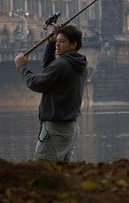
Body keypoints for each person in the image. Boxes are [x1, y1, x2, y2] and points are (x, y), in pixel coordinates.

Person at [14, 24, 87, 162]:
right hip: (70, 128)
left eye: (62, 41)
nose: (57, 45)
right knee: (61, 174)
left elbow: (36, 83)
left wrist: (22, 67)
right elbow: (50, 69)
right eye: (57, 41)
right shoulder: (78, 64)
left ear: (73, 44)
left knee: (43, 171)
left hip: (55, 129)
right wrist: (50, 43)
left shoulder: (62, 65)